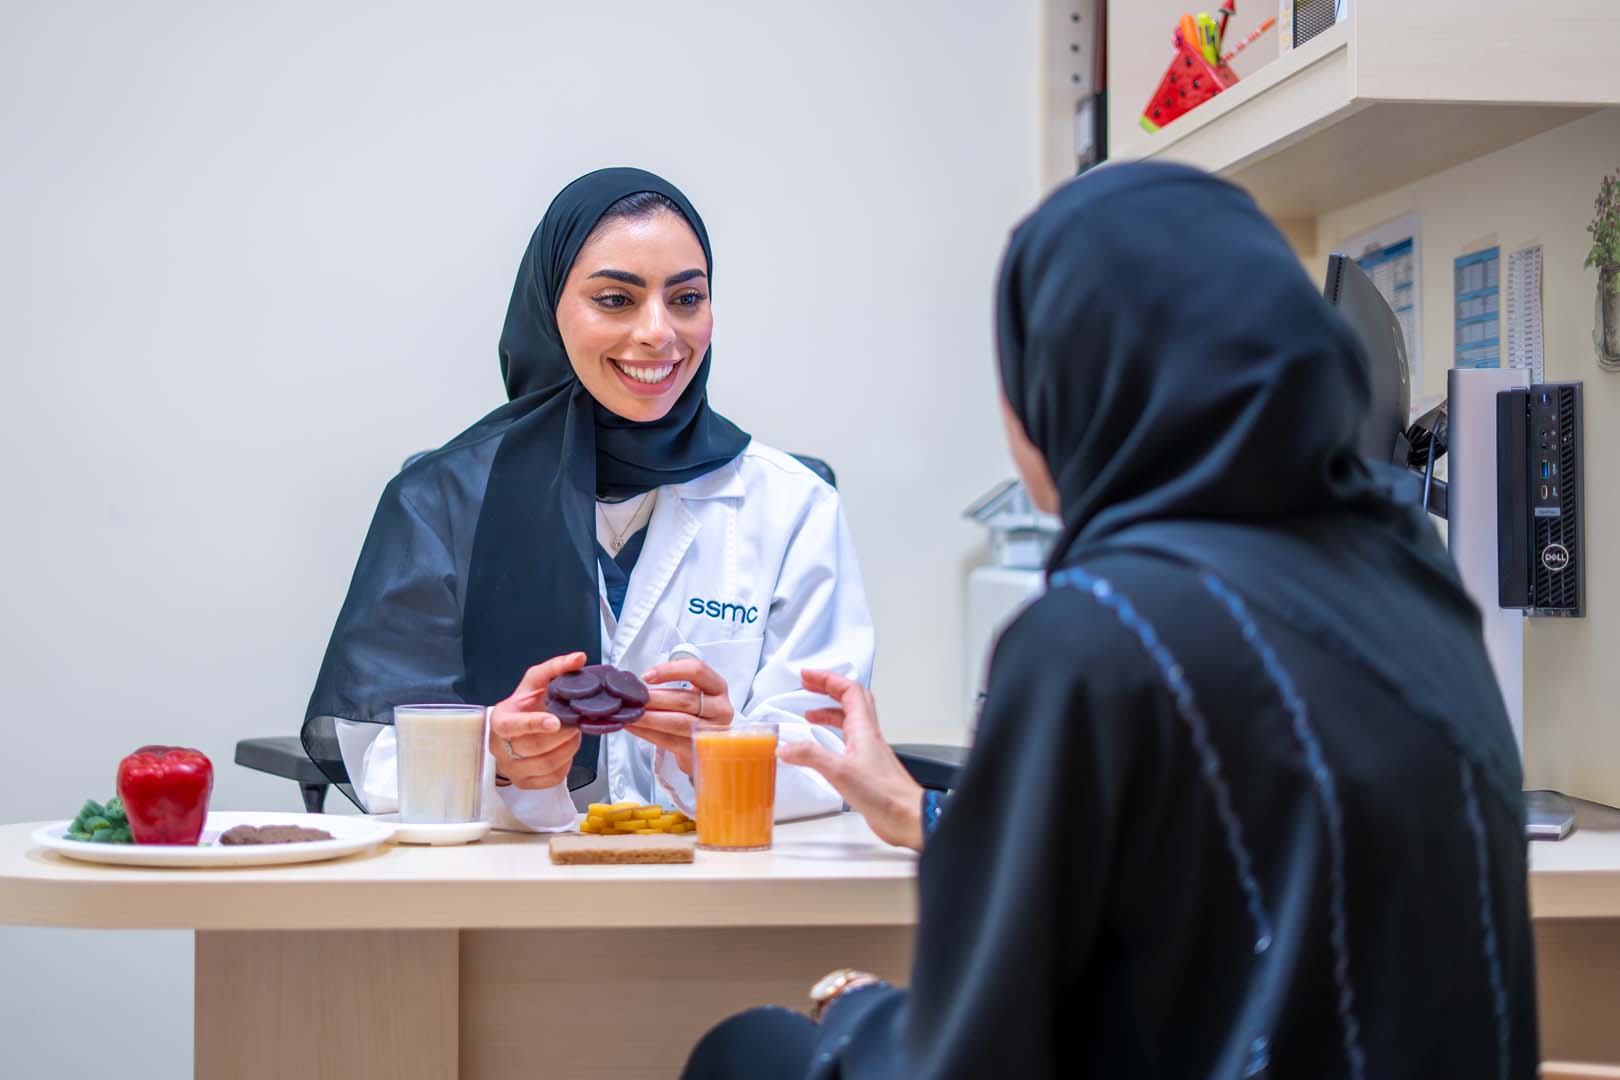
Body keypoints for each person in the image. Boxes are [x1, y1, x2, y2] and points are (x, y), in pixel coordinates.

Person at [684, 162, 1537, 1078]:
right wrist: (917, 807)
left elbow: (974, 1053)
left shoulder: (1100, 629)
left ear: (1068, 389)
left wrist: (852, 1013)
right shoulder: (1418, 581)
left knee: (750, 1051)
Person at [302, 168, 872, 829]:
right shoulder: (443, 500)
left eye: (686, 298)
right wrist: (492, 757)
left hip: (723, 892)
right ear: (550, 312)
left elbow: (834, 747)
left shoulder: (792, 504)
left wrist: (726, 749)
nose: (659, 332)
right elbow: (373, 753)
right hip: (501, 900)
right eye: (615, 300)